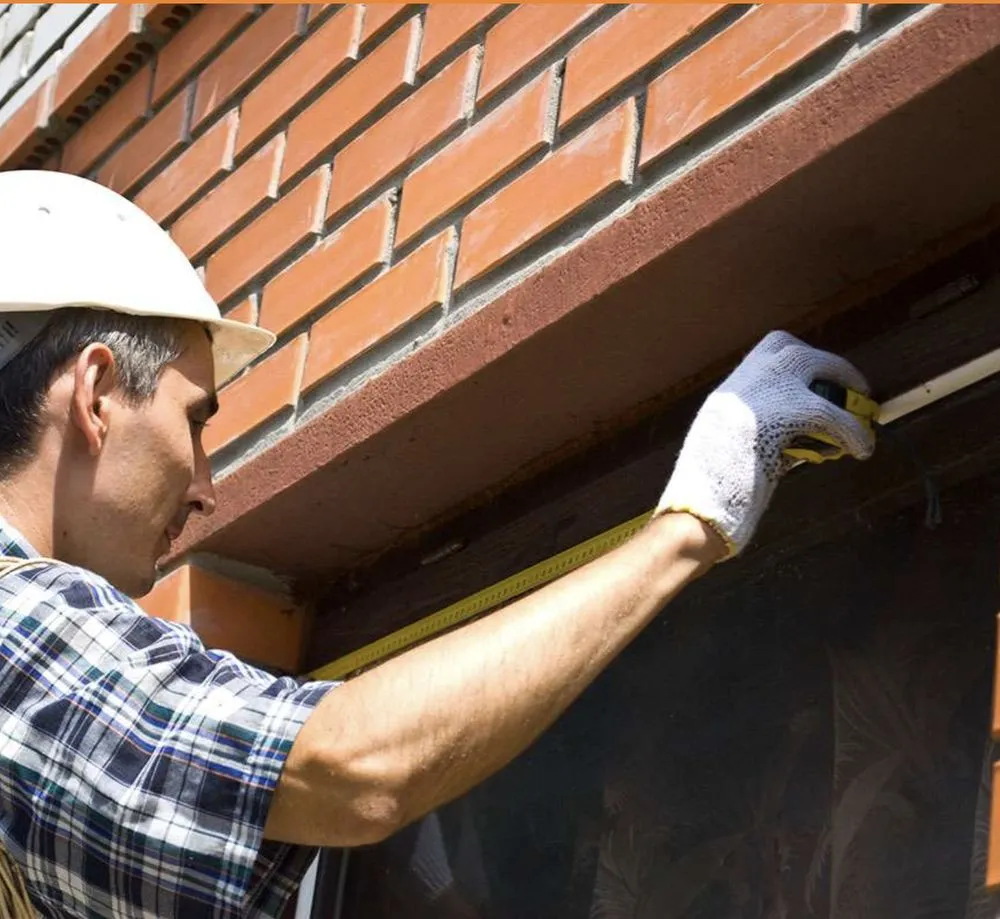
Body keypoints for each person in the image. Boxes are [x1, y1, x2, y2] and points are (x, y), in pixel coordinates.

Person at [0, 170, 875, 919]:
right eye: (195, 423)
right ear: (98, 392)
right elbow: (348, 764)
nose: (205, 485)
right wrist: (694, 521)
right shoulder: (15, 623)